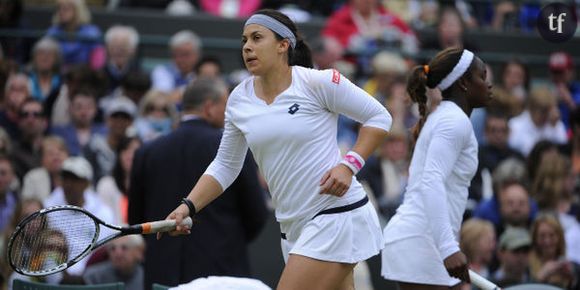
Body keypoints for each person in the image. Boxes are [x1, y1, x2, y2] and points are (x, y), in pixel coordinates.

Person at [158, 9, 392, 290]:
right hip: (292, 228)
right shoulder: (238, 99)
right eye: (244, 40)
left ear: (283, 45)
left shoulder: (318, 82)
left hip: (335, 215)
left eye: (257, 38)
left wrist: (348, 165)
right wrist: (188, 206)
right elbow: (225, 165)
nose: (247, 47)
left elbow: (379, 118)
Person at [129, 78, 269, 289]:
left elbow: (137, 218)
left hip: (163, 273)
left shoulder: (146, 152)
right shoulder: (233, 151)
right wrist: (228, 241)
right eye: (225, 105)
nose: (227, 112)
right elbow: (256, 213)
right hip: (221, 272)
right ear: (209, 107)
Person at [382, 47, 492, 290]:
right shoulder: (454, 121)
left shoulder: (446, 117)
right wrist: (448, 247)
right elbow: (431, 180)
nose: (489, 84)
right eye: (482, 77)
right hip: (421, 243)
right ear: (464, 83)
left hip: (423, 242)